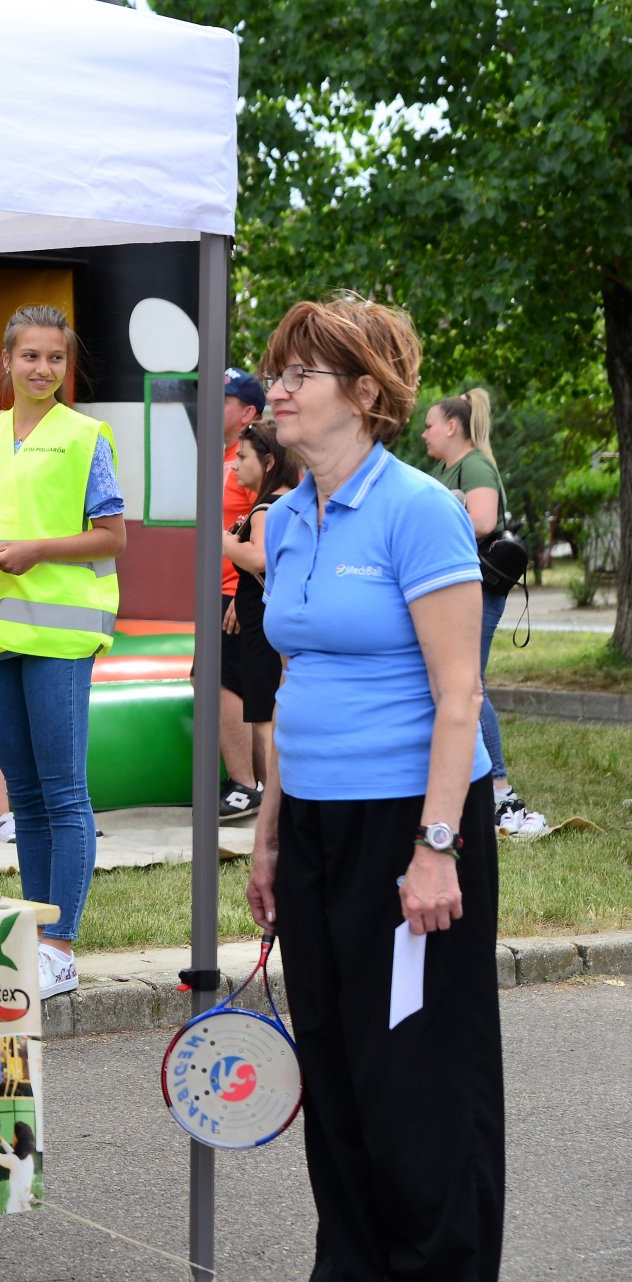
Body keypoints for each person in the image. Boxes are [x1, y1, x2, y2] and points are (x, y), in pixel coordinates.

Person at [246, 297, 503, 1280]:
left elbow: (459, 693)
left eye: (301, 372)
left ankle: (439, 1264)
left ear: (365, 394)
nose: (279, 387)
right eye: (280, 368)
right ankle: (350, 1263)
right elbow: (292, 684)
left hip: (413, 819)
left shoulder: (418, 509)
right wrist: (269, 832)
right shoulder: (284, 516)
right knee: (339, 1063)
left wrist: (436, 847)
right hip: (310, 818)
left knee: (418, 1072)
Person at [0, 304, 126, 1001]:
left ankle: (61, 944)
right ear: (7, 358)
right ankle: (36, 933)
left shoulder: (87, 437)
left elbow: (112, 535)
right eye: (31, 356)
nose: (43, 369)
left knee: (63, 790)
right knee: (23, 796)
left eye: (55, 358)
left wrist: (39, 551)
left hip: (61, 635)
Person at [423, 387, 545, 836]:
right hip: (459, 588)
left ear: (452, 426)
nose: (424, 433)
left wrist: (448, 504)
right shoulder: (448, 465)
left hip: (479, 590)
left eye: (430, 425)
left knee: (469, 684)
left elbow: (484, 522)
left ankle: (500, 791)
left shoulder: (474, 465)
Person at [219, 420, 299, 811]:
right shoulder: (285, 500)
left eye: (243, 457)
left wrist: (220, 541)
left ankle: (274, 801)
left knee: (266, 716)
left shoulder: (269, 505)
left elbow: (260, 557)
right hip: (259, 616)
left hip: (265, 626)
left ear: (268, 462)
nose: (235, 466)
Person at [216, 368, 268, 820]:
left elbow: (260, 534)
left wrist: (239, 595)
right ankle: (253, 782)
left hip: (236, 592)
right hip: (223, 590)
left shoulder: (250, 460)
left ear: (248, 412)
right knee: (226, 680)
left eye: (225, 398)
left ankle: (244, 785)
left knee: (219, 680)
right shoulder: (226, 454)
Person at [0, 1121, 37, 1214]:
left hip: (14, 1207)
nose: (13, 1137)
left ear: (17, 1139)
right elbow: (13, 1154)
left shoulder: (13, 1160)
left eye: (14, 1135)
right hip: (26, 1206)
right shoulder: (29, 1158)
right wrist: (0, 1139)